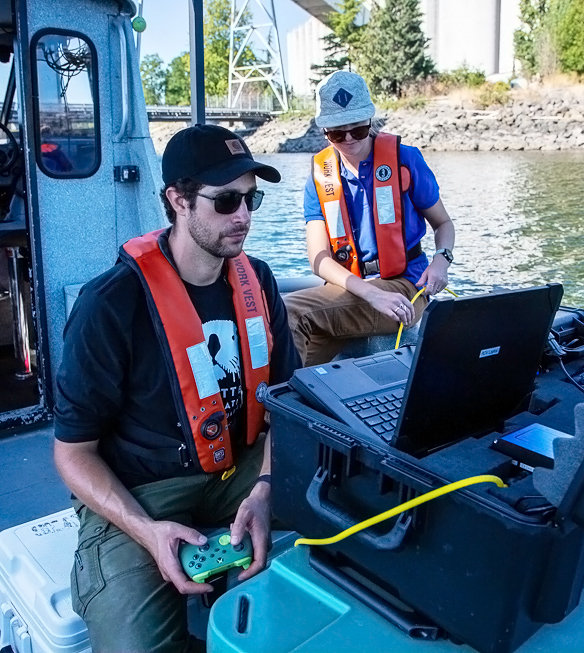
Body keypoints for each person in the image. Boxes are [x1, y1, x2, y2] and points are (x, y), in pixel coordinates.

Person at [53, 124, 300, 653]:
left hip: (242, 471)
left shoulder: (260, 280)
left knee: (346, 542)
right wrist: (147, 532)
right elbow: (73, 455)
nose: (244, 216)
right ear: (178, 201)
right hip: (142, 491)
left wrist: (265, 486)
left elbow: (287, 404)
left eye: (251, 198)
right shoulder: (109, 305)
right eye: (227, 200)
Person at [284, 71, 455, 366]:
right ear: (325, 133)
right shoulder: (319, 177)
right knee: (290, 368)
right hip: (351, 290)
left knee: (290, 310)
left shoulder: (406, 159)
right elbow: (318, 257)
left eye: (358, 130)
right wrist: (369, 293)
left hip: (404, 289)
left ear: (371, 122)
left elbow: (444, 224)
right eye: (338, 133)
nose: (349, 140)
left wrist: (442, 260)